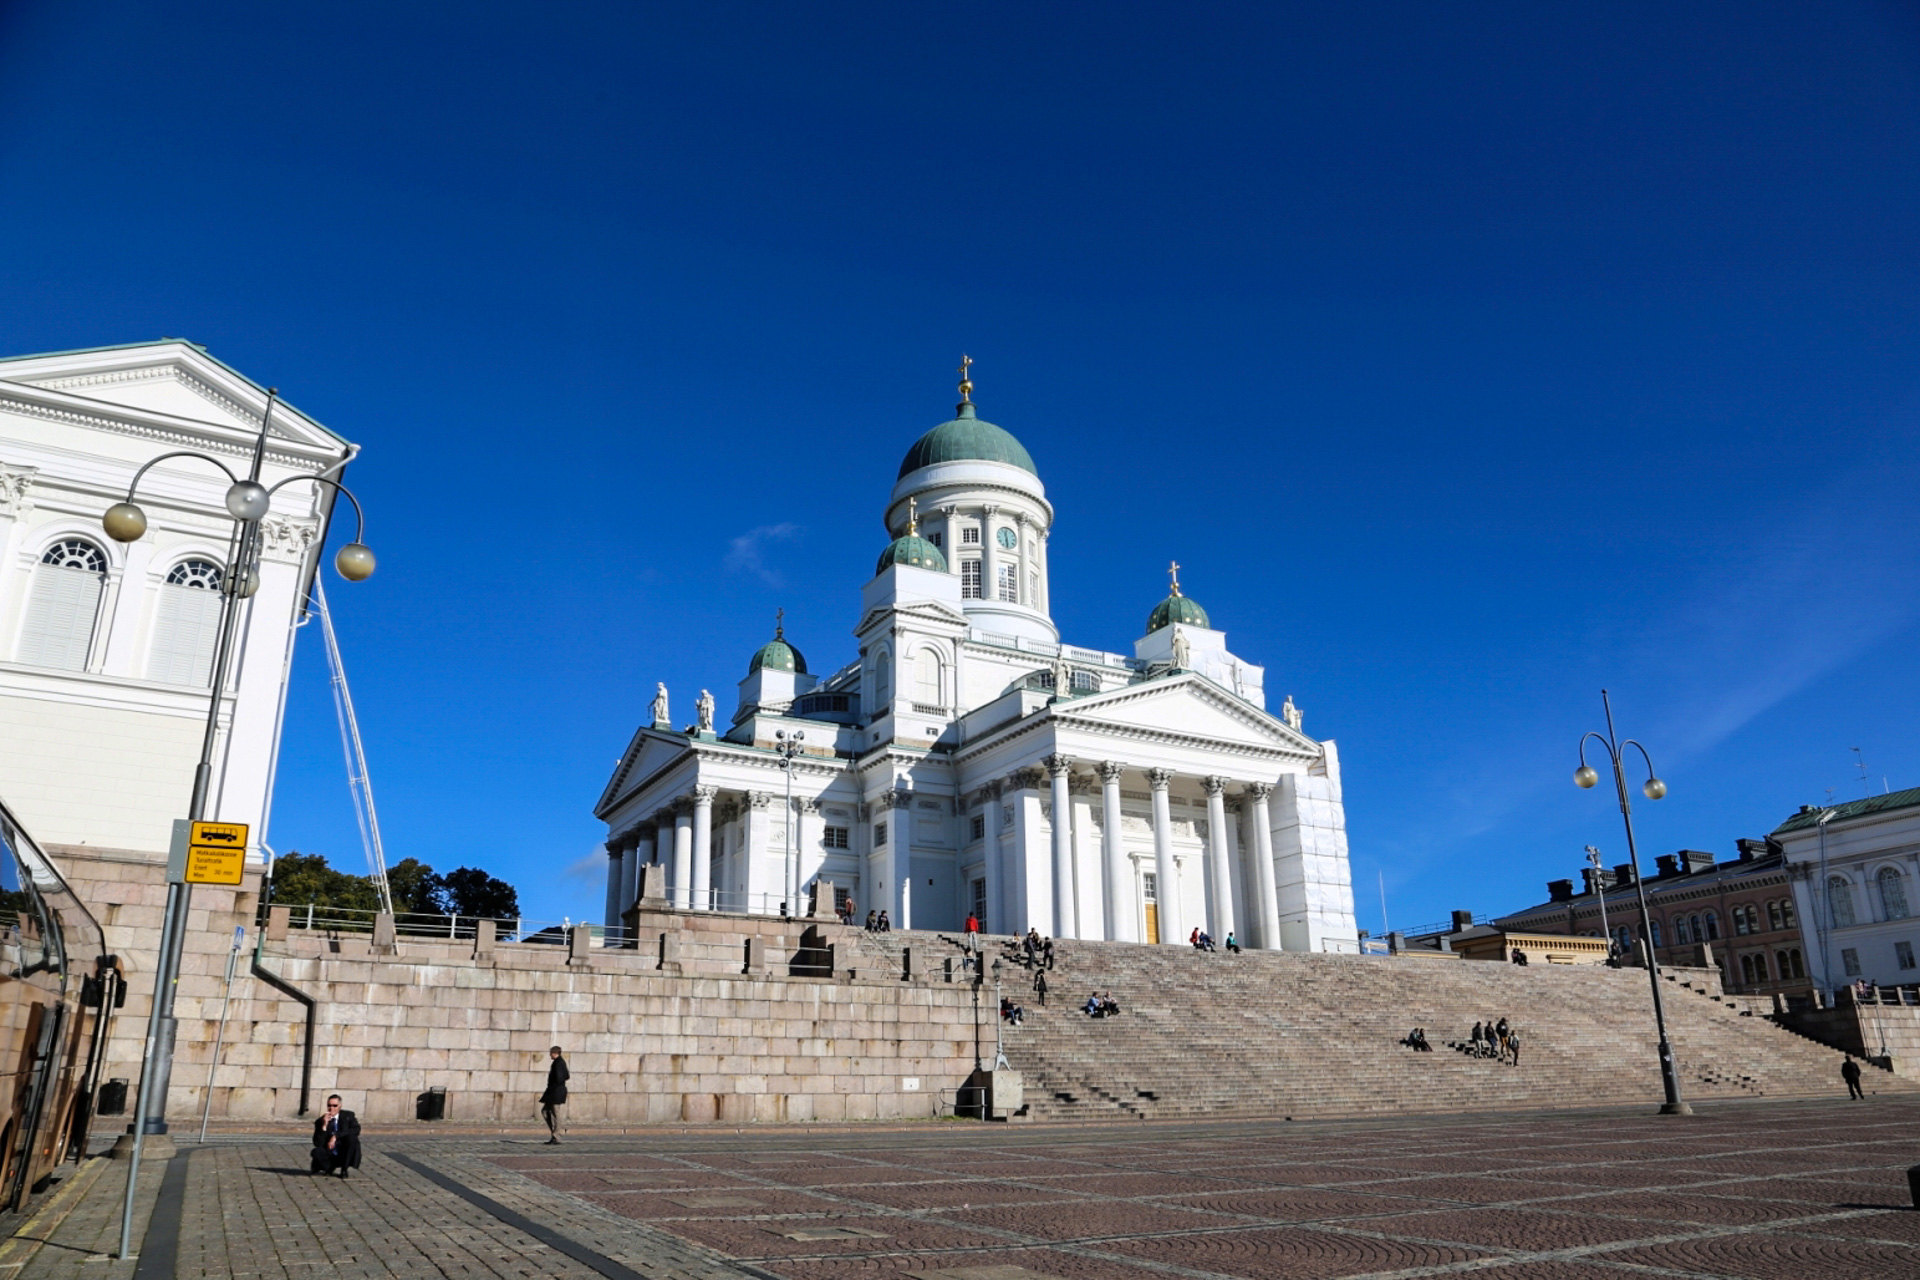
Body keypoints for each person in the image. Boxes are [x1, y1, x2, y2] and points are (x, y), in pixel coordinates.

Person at [310, 1094, 361, 1177]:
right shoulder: (321, 1120)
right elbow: (317, 1143)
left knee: (352, 1139)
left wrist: (336, 1136)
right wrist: (324, 1126)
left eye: (335, 1106)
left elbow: (356, 1129)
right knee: (316, 1152)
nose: (331, 1108)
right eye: (329, 1105)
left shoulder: (348, 1116)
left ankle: (344, 1169)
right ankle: (328, 1167)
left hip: (343, 1149)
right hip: (329, 1151)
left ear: (340, 1106)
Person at [540, 1045, 569, 1144]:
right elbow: (566, 1075)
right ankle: (554, 1133)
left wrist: (554, 1085)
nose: (550, 1055)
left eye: (550, 1053)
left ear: (554, 1053)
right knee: (545, 1111)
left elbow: (561, 1077)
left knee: (556, 1114)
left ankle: (556, 1136)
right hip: (553, 1092)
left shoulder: (559, 1063)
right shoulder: (559, 1062)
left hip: (556, 1092)